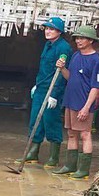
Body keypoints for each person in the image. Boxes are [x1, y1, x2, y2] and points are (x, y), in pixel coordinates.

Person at [52, 25, 99, 179]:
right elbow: (71, 77)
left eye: (82, 38)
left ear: (90, 41)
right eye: (77, 38)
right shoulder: (75, 56)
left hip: (84, 103)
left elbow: (96, 86)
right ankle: (70, 165)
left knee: (85, 134)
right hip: (70, 100)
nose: (78, 41)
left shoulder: (96, 60)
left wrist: (86, 108)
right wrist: (62, 69)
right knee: (71, 134)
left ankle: (83, 170)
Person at [24, 17, 73, 167]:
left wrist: (55, 95)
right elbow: (44, 68)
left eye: (51, 29)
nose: (48, 31)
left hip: (53, 89)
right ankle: (33, 152)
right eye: (46, 28)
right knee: (35, 120)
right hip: (41, 87)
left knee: (51, 120)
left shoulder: (63, 48)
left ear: (59, 31)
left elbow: (62, 74)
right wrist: (36, 85)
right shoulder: (47, 45)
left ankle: (54, 157)